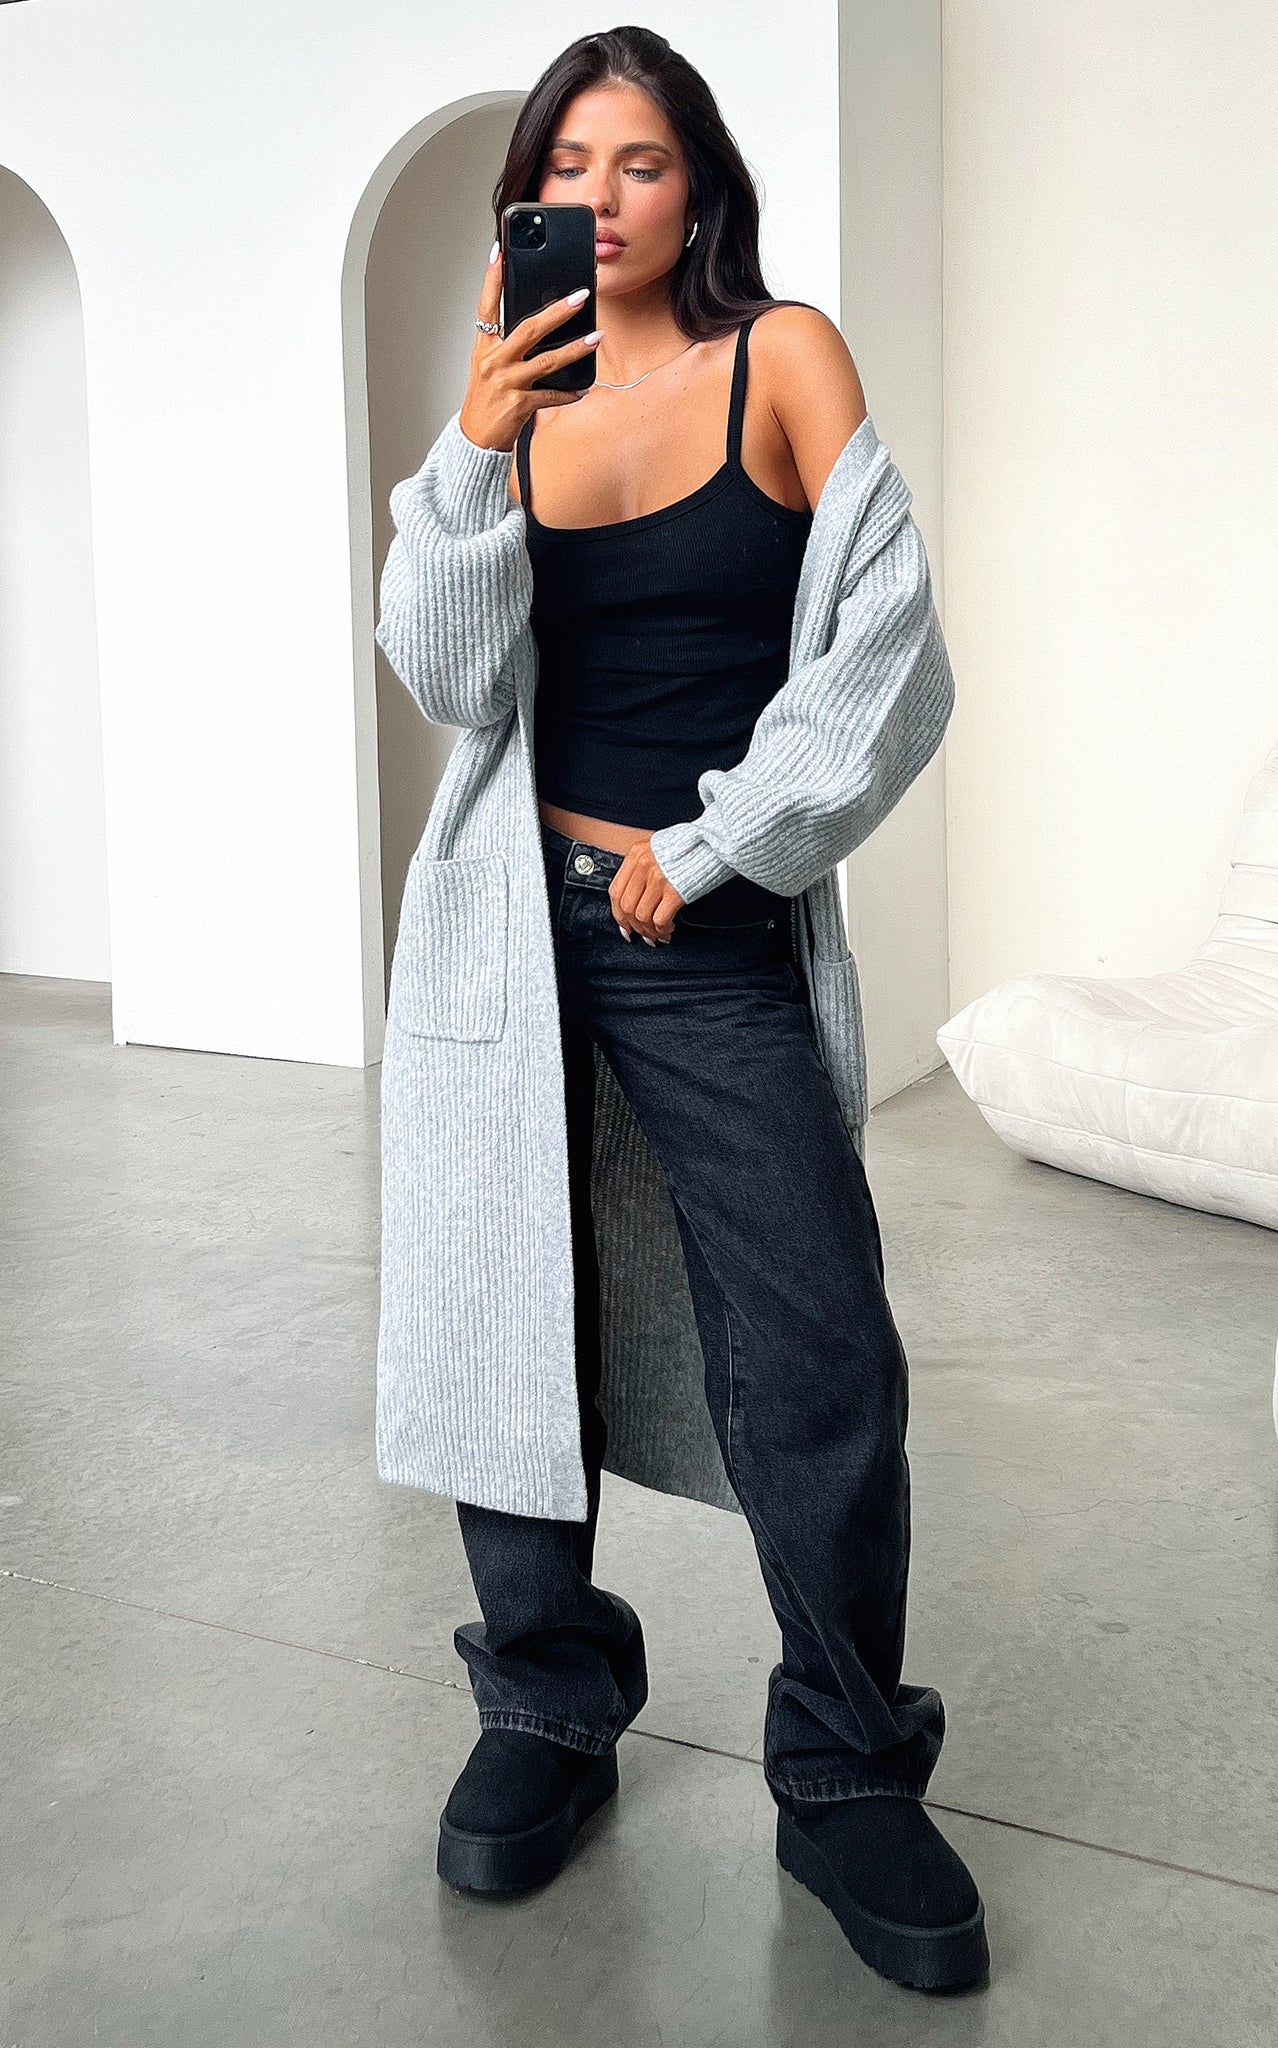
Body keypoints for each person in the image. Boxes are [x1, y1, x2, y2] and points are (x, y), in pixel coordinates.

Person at [378, 26, 989, 1996]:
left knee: (816, 1340)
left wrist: (718, 845)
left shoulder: (782, 358)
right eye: (565, 167)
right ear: (527, 202)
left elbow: (886, 655)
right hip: (504, 930)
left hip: (696, 933)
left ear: (699, 182)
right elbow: (446, 678)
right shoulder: (511, 398)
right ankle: (544, 1703)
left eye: (638, 162)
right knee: (505, 1319)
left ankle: (842, 1763)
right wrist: (470, 448)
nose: (602, 198)